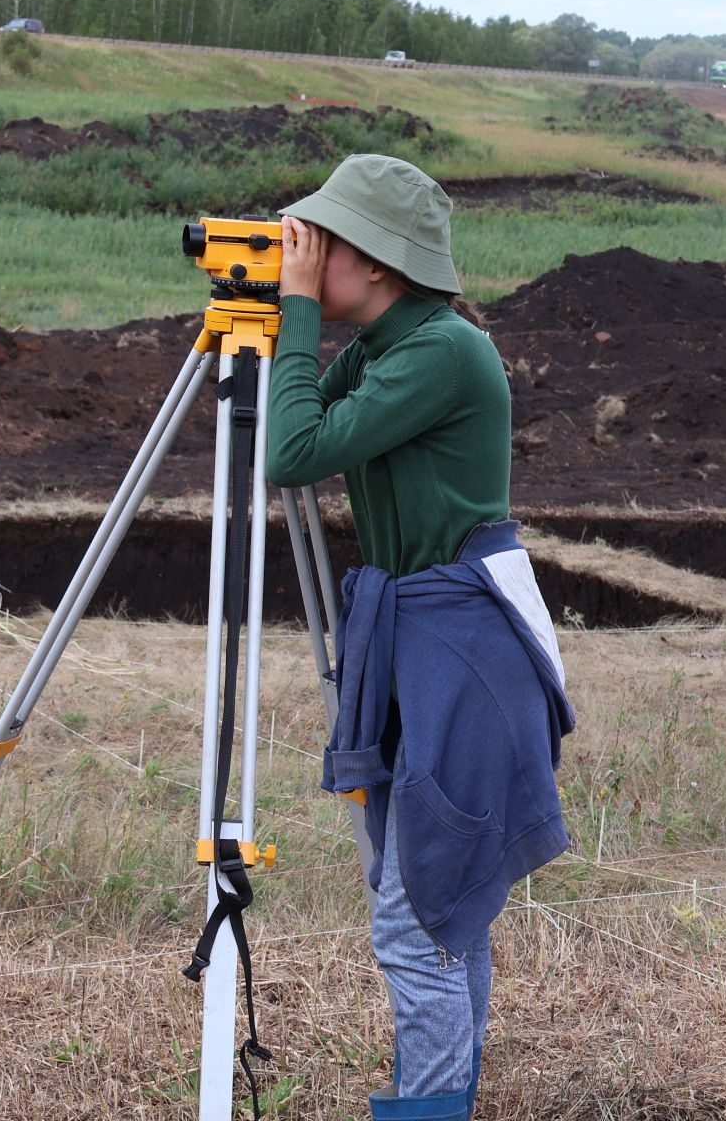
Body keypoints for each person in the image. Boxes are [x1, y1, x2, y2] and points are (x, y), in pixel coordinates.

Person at [264, 154, 576, 1121]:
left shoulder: (442, 351)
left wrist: (299, 312)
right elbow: (305, 419)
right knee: (441, 911)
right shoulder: (396, 344)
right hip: (422, 632)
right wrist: (302, 314)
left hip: (462, 646)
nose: (309, 258)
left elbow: (291, 454)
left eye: (327, 245)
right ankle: (447, 1098)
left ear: (381, 262)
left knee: (419, 915)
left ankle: (433, 1107)